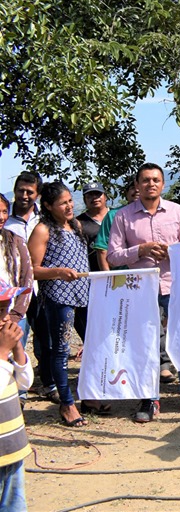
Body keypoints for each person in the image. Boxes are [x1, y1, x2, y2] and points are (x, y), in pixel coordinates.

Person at [107, 164, 180, 421]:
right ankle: (148, 397)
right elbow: (113, 255)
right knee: (145, 343)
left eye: (156, 180)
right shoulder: (123, 216)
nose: (151, 184)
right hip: (141, 289)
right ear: (137, 185)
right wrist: (140, 251)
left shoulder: (177, 211)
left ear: (162, 184)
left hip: (175, 284)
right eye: (145, 180)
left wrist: (171, 252)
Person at [27, 181, 93, 426]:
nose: (69, 206)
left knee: (93, 344)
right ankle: (67, 404)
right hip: (58, 298)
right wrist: (57, 272)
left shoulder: (75, 225)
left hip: (83, 294)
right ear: (47, 206)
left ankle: (92, 397)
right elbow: (31, 270)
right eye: (62, 203)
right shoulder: (43, 230)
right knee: (61, 351)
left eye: (69, 200)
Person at [3, 172, 54, 404]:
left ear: (38, 195)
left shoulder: (44, 220)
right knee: (15, 340)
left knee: (46, 339)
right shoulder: (6, 218)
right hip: (11, 298)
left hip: (39, 290)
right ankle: (17, 393)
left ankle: (49, 384)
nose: (24, 195)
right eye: (20, 190)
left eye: (29, 192)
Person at [0, 194, 34, 408]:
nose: (1, 216)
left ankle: (14, 402)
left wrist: (13, 315)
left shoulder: (14, 241)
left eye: (4, 211)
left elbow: (26, 277)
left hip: (10, 312)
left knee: (16, 361)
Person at [0, 301, 31, 511]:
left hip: (13, 448)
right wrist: (2, 353)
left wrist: (17, 349)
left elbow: (24, 383)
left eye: (5, 310)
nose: (5, 319)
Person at [92, 180, 138, 272]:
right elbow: (102, 249)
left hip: (151, 274)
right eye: (133, 188)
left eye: (139, 187)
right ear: (126, 193)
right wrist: (107, 277)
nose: (137, 190)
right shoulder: (113, 215)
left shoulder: (157, 215)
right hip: (121, 276)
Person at [76, 182, 109, 273]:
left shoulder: (117, 216)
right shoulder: (78, 223)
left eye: (98, 194)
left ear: (105, 197)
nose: (94, 198)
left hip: (121, 271)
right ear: (84, 200)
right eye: (90, 195)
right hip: (93, 275)